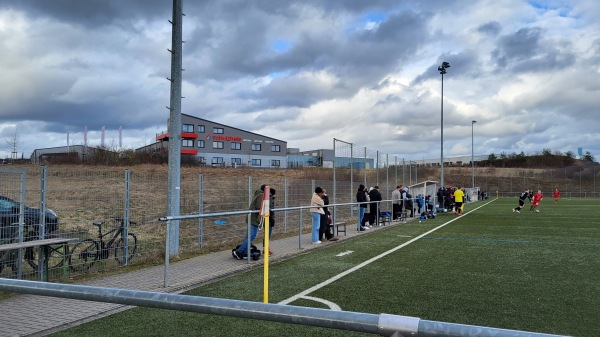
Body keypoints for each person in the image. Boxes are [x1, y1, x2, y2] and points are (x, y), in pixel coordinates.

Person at [233, 184, 267, 260]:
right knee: (252, 236)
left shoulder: (258, 194)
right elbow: (259, 207)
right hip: (254, 219)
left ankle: (245, 252)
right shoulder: (261, 195)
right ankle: (239, 251)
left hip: (252, 218)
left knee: (248, 236)